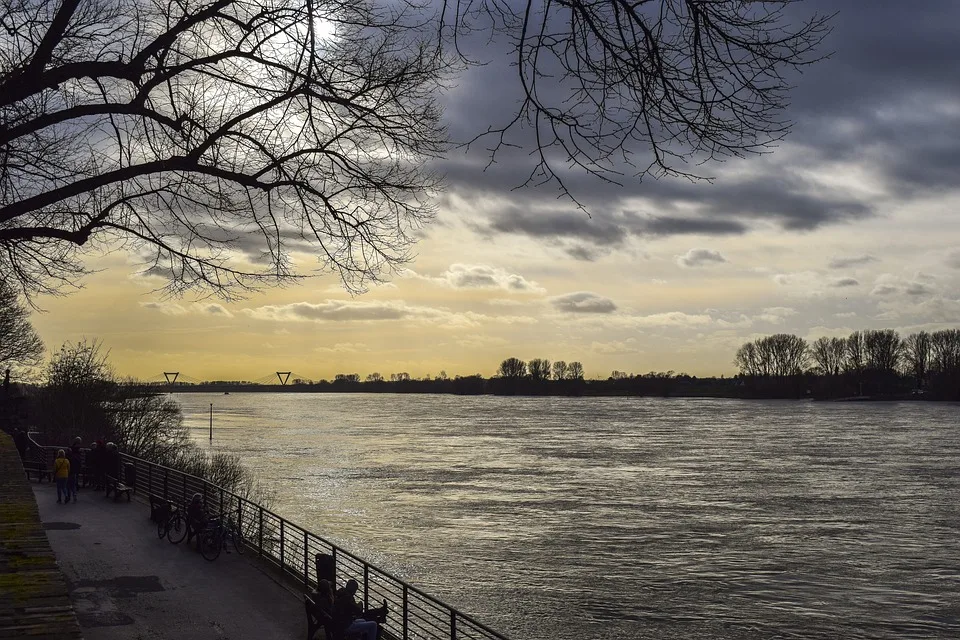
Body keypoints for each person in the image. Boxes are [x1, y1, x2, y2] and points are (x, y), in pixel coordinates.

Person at [66, 437, 83, 502]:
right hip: (76, 466)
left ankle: (69, 495)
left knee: (69, 483)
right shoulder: (78, 451)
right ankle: (74, 493)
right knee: (74, 479)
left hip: (71, 467)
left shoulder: (71, 450)